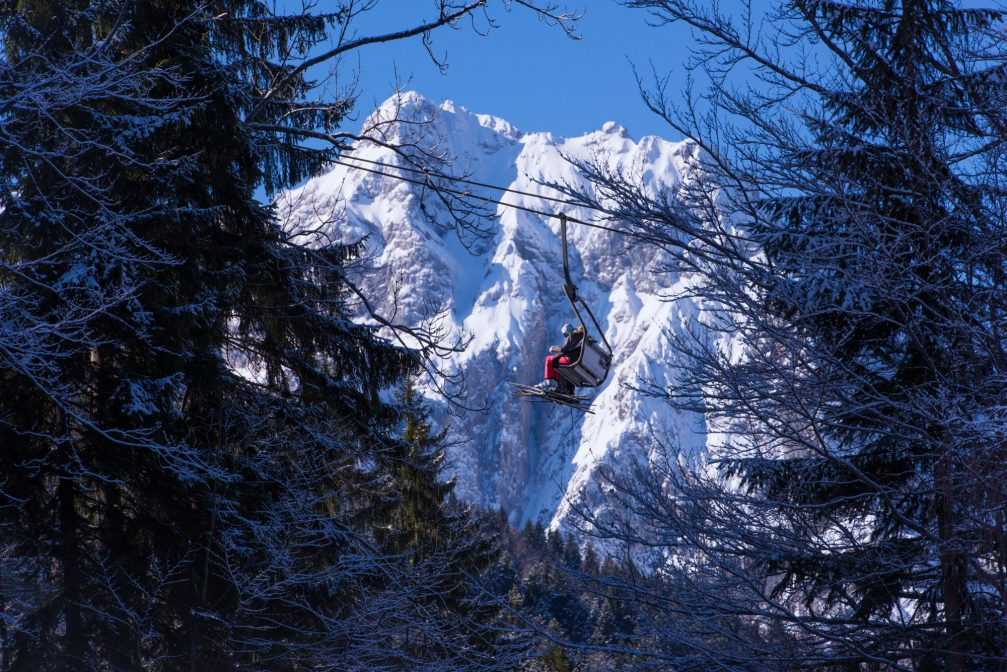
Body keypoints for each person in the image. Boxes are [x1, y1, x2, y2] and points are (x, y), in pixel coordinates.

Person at [534, 322, 583, 395]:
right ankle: (569, 391)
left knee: (550, 359)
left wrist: (555, 349)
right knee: (562, 366)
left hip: (571, 360)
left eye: (565, 334)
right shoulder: (582, 335)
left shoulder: (572, 336)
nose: (566, 336)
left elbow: (564, 348)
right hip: (579, 362)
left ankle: (550, 382)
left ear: (567, 332)